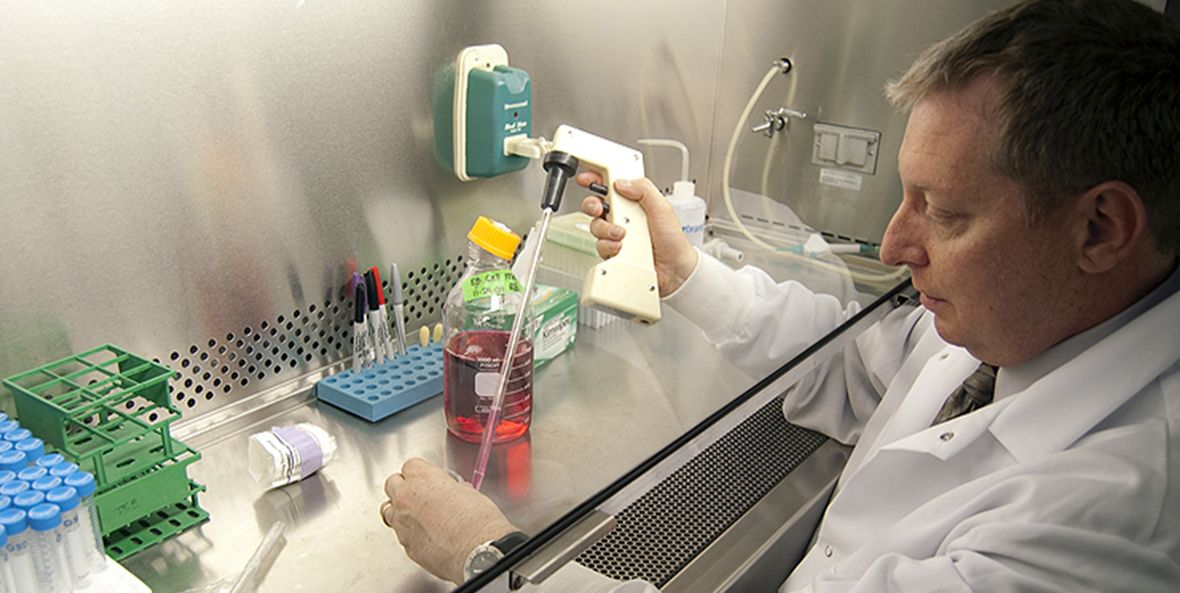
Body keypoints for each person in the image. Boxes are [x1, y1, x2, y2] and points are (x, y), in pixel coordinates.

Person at [381, 0, 1180, 590]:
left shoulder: (1108, 517)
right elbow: (852, 367)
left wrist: (491, 558)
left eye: (945, 211)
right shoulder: (1021, 326)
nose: (899, 247)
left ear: (1101, 229)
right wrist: (683, 270)